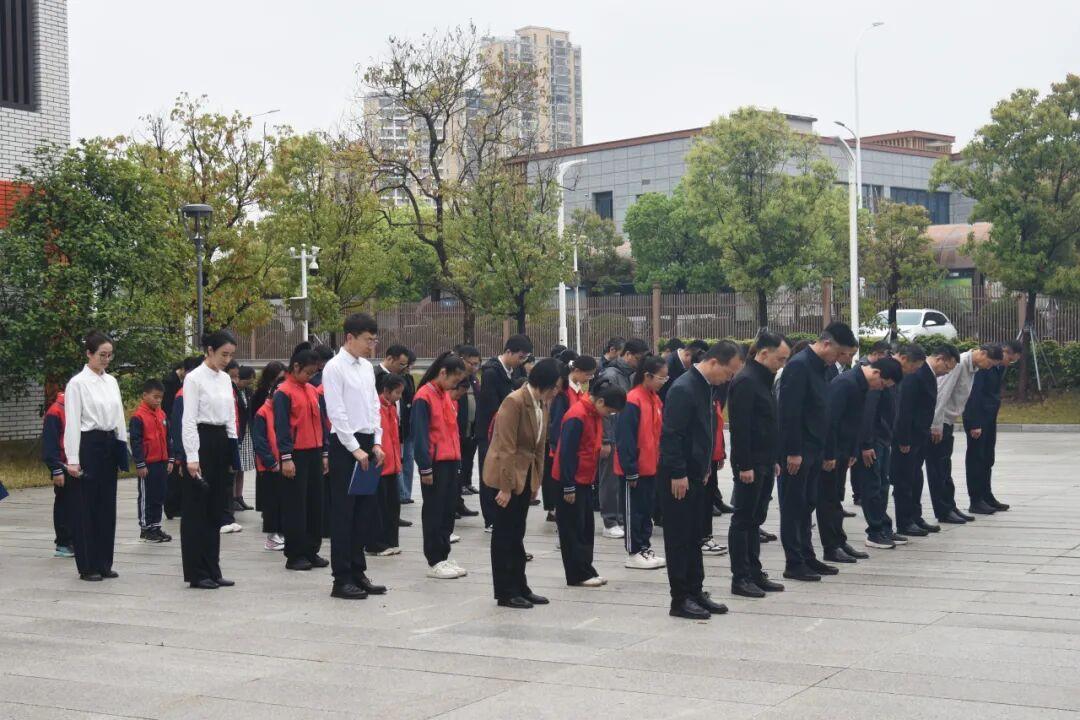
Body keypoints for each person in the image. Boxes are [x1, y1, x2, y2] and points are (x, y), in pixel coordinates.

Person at [660, 340, 744, 619]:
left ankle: (695, 591)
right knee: (680, 538)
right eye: (729, 372)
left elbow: (704, 431)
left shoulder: (706, 387)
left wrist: (705, 465)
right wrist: (678, 473)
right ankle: (680, 598)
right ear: (714, 362)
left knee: (695, 536)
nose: (729, 379)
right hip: (679, 477)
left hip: (698, 474)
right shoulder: (684, 388)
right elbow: (672, 435)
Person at [775, 323, 858, 582]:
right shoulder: (799, 366)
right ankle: (794, 562)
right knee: (794, 506)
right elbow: (789, 413)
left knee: (807, 504)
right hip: (797, 452)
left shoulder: (822, 367)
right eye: (840, 353)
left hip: (814, 450)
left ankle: (808, 556)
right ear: (826, 344)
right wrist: (793, 451)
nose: (840, 360)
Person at [322, 313, 388, 600]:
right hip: (344, 445)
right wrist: (354, 448)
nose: (371, 346)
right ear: (350, 337)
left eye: (374, 340)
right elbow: (336, 412)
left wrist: (376, 441)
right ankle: (341, 578)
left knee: (364, 513)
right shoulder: (334, 368)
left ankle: (358, 572)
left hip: (366, 442)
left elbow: (374, 405)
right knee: (344, 514)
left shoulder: (365, 367)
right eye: (367, 340)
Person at [484, 359, 561, 608]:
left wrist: (535, 481)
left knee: (518, 533)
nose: (557, 391)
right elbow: (505, 447)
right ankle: (505, 591)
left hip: (525, 476)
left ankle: (520, 586)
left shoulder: (542, 403)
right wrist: (506, 487)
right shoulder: (514, 401)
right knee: (505, 535)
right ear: (546, 383)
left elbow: (539, 446)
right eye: (556, 386)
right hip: (506, 476)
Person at [818, 358, 903, 564]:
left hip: (844, 451)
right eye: (882, 384)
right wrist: (829, 454)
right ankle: (831, 546)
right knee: (828, 500)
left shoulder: (859, 384)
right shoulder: (845, 383)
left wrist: (853, 450)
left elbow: (855, 421)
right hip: (832, 452)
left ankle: (839, 541)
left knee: (836, 498)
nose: (880, 389)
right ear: (876, 374)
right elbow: (830, 421)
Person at [727, 331, 790, 599]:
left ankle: (754, 571)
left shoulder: (764, 378)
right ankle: (740, 577)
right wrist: (744, 465)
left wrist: (774, 458)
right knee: (743, 520)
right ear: (763, 354)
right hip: (750, 465)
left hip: (765, 461)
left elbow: (768, 423)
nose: (783, 364)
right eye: (780, 358)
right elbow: (741, 428)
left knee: (755, 520)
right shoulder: (746, 380)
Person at [63, 331, 128, 582]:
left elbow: (119, 415)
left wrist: (122, 446)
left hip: (109, 443)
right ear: (88, 354)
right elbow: (72, 423)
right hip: (88, 444)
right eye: (102, 355)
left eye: (110, 355)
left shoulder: (111, 381)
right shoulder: (77, 383)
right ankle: (87, 565)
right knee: (86, 506)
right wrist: (72, 459)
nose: (106, 359)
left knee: (106, 506)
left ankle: (104, 562)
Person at [181, 330, 240, 590]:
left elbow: (230, 417)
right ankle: (197, 572)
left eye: (230, 355)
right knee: (197, 511)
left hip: (220, 441)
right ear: (209, 351)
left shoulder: (226, 379)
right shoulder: (194, 379)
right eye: (223, 354)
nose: (226, 359)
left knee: (216, 508)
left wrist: (232, 450)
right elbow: (188, 420)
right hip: (201, 440)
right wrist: (192, 456)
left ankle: (213, 568)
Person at [554, 378, 626, 587]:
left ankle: (586, 568)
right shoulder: (577, 415)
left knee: (585, 529)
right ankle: (576, 574)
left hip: (585, 479)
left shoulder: (593, 414)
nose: (609, 415)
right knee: (573, 531)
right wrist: (568, 485)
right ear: (601, 401)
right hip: (571, 481)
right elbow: (566, 453)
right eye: (610, 411)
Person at [856, 345, 926, 550]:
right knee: (873, 485)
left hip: (885, 437)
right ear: (903, 358)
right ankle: (875, 530)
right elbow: (870, 410)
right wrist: (867, 443)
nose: (914, 371)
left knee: (883, 484)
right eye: (914, 366)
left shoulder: (896, 374)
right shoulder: (883, 373)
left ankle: (884, 527)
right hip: (874, 439)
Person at [927, 344, 1002, 524]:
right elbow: (941, 393)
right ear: (982, 353)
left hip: (949, 421)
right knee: (938, 469)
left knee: (946, 468)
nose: (989, 367)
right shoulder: (958, 364)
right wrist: (936, 425)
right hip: (940, 422)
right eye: (990, 363)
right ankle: (943, 510)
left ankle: (950, 505)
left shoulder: (972, 367)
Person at [892, 344, 960, 538]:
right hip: (908, 438)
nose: (946, 372)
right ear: (939, 359)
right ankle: (905, 521)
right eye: (947, 367)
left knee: (916, 478)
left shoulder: (927, 373)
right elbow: (904, 409)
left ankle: (915, 516)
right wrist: (903, 439)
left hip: (920, 436)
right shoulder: (916, 374)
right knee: (905, 481)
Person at [413, 351, 469, 579]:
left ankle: (444, 555)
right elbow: (420, 435)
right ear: (443, 372)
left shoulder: (444, 395)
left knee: (447, 511)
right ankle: (434, 559)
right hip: (434, 464)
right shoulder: (423, 397)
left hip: (450, 460)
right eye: (454, 380)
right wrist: (425, 467)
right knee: (434, 511)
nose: (455, 385)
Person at [274, 347, 330, 571]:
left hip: (315, 451)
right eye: (308, 372)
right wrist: (286, 457)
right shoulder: (283, 392)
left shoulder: (312, 390)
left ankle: (311, 549)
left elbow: (322, 422)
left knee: (315, 503)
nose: (311, 376)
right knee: (296, 505)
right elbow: (282, 427)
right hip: (295, 453)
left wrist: (325, 452)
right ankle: (295, 553)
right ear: (295, 367)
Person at [615, 354, 667, 570]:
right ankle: (633, 551)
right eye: (661, 377)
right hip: (634, 469)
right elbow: (625, 438)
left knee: (645, 511)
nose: (664, 381)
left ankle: (644, 547)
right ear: (647, 375)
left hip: (651, 466)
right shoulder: (632, 399)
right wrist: (631, 469)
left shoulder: (654, 397)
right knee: (633, 512)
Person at [475, 335, 533, 531]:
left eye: (525, 357)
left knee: (503, 471)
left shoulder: (514, 370)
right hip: (489, 431)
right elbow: (492, 405)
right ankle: (490, 518)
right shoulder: (491, 372)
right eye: (520, 356)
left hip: (506, 430)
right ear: (508, 352)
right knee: (489, 472)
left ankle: (501, 513)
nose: (522, 361)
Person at [597, 338, 650, 539]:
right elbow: (603, 410)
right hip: (612, 434)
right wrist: (606, 439)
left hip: (625, 434)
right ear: (626, 354)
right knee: (609, 478)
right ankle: (610, 520)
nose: (640, 362)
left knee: (620, 478)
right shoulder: (611, 375)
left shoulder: (632, 375)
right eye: (638, 358)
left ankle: (619, 517)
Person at [965, 340, 1023, 514]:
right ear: (1005, 352)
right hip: (978, 418)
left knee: (987, 457)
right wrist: (974, 422)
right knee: (976, 458)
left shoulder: (998, 367)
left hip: (990, 418)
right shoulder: (984, 365)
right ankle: (976, 500)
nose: (1009, 363)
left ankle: (986, 495)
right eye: (1011, 359)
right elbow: (973, 394)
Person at [544, 353, 596, 522]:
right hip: (562, 446)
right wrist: (556, 445)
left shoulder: (578, 390)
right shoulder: (564, 393)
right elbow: (557, 422)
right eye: (588, 374)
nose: (590, 378)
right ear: (577, 371)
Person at [130, 378, 172, 544]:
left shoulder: (162, 414)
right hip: (148, 464)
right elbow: (136, 442)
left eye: (160, 397)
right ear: (145, 395)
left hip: (161, 462)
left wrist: (170, 459)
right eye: (155, 397)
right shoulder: (138, 417)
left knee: (159, 495)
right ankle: (146, 528)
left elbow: (168, 438)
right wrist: (140, 463)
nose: (158, 400)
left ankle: (155, 525)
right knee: (147, 495)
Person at [849, 341, 891, 506]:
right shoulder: (867, 377)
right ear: (879, 354)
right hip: (871, 435)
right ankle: (860, 495)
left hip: (880, 433)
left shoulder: (876, 375)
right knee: (872, 479)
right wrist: (866, 443)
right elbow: (867, 411)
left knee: (879, 479)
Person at [165, 356, 204, 520]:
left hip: (190, 444)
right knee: (178, 478)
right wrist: (179, 453)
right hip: (182, 445)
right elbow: (178, 425)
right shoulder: (182, 394)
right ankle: (173, 507)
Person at [371, 372, 405, 556]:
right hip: (380, 464)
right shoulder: (375, 407)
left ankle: (391, 541)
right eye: (397, 393)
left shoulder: (391, 408)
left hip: (393, 463)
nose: (399, 397)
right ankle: (376, 543)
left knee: (393, 506)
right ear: (386, 390)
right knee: (379, 507)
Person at [251, 364, 285, 552]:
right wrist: (270, 461)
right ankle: (272, 536)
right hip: (270, 465)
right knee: (272, 503)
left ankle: (281, 532)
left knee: (282, 501)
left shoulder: (282, 411)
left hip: (283, 463)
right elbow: (260, 440)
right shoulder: (263, 412)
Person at [41, 391, 74, 558]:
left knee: (75, 504)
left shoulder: (73, 409)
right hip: (62, 465)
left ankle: (72, 539)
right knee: (63, 503)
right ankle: (63, 542)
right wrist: (56, 469)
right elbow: (50, 444)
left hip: (74, 465)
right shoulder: (55, 412)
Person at [454, 345, 482, 516]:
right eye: (471, 363)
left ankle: (460, 501)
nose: (473, 367)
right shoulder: (454, 379)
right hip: (457, 429)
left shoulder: (474, 380)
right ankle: (453, 504)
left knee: (466, 463)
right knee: (455, 470)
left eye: (476, 364)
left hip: (471, 429)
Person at [233, 365, 256, 512]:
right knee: (235, 467)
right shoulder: (233, 391)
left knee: (242, 467)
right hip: (238, 431)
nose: (248, 384)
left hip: (247, 431)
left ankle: (239, 497)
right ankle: (232, 498)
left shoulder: (248, 392)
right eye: (247, 381)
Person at [398, 349, 418, 509]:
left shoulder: (409, 378)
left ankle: (406, 492)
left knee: (409, 459)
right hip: (399, 425)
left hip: (409, 424)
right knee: (400, 459)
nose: (408, 367)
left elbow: (412, 397)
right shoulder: (394, 378)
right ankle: (401, 492)